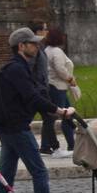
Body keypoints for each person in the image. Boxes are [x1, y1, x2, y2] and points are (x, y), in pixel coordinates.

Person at [0, 28, 77, 193]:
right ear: (21, 46)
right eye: (33, 44)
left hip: (7, 129)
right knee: (39, 173)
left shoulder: (13, 68)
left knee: (6, 177)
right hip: (18, 129)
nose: (37, 47)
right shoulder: (18, 69)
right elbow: (33, 97)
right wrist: (60, 111)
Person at [42, 28, 77, 159]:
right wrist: (69, 78)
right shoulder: (56, 51)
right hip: (58, 86)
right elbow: (60, 68)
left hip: (53, 86)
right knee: (62, 115)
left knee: (63, 115)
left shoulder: (47, 50)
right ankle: (69, 145)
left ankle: (49, 145)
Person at [27, 20, 59, 155]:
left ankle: (47, 147)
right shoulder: (34, 51)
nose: (47, 32)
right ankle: (52, 147)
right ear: (38, 32)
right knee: (49, 117)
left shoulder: (40, 49)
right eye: (44, 29)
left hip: (41, 88)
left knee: (48, 117)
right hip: (38, 90)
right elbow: (30, 69)